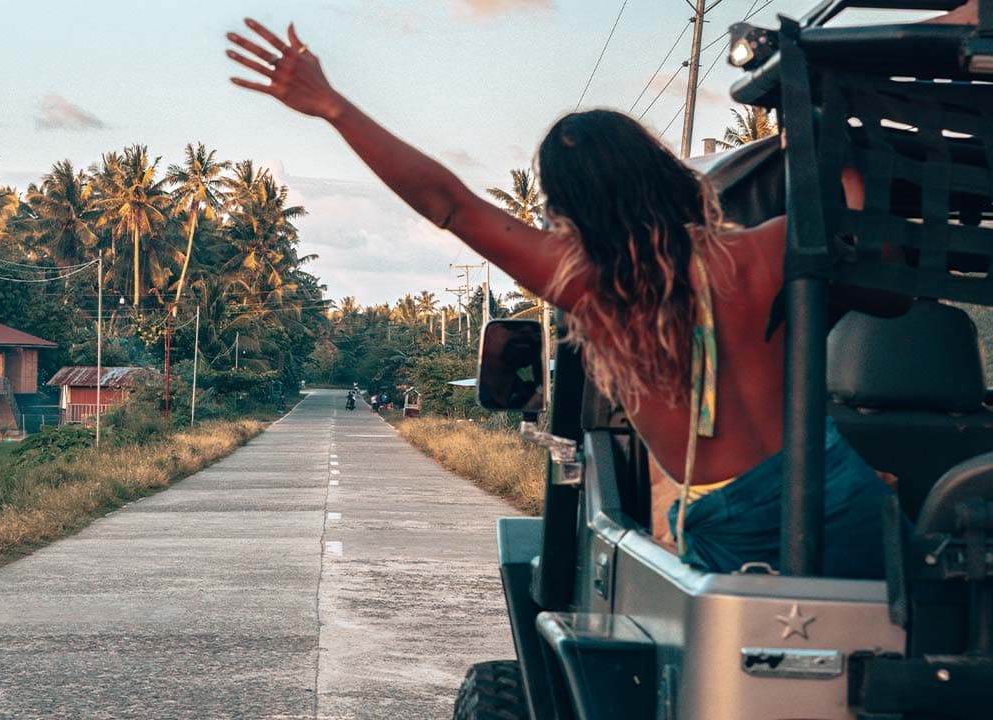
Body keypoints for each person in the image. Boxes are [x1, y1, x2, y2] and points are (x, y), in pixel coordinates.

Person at [225, 18, 905, 578]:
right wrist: (831, 125)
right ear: (661, 170)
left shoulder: (592, 285)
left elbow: (448, 204)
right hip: (841, 488)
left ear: (569, 206)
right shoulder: (766, 249)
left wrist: (334, 107)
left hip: (735, 520)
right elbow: (864, 229)